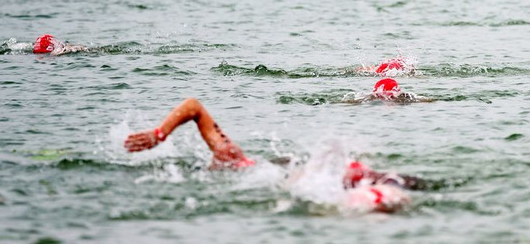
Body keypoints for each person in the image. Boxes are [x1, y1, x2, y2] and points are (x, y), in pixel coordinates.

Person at [123, 98, 424, 206]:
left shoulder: (234, 161)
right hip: (285, 175)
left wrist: (161, 134)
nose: (226, 141)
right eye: (222, 140)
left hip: (281, 174)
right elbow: (193, 106)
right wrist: (160, 134)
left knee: (346, 176)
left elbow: (193, 107)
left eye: (225, 140)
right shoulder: (230, 160)